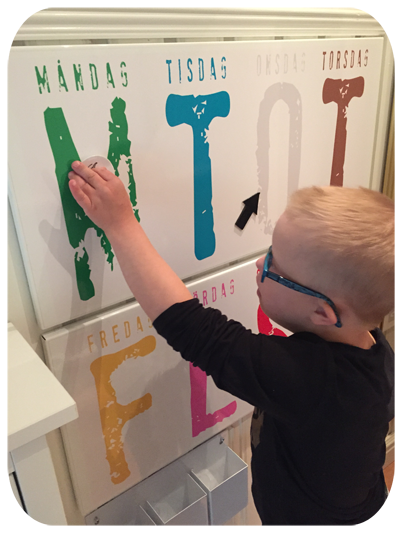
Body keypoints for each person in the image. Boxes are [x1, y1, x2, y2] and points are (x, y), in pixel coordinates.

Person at [68, 161, 395, 526]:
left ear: (322, 312)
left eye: (273, 265)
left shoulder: (319, 383)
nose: (258, 264)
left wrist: (120, 224)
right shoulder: (373, 347)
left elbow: (197, 331)